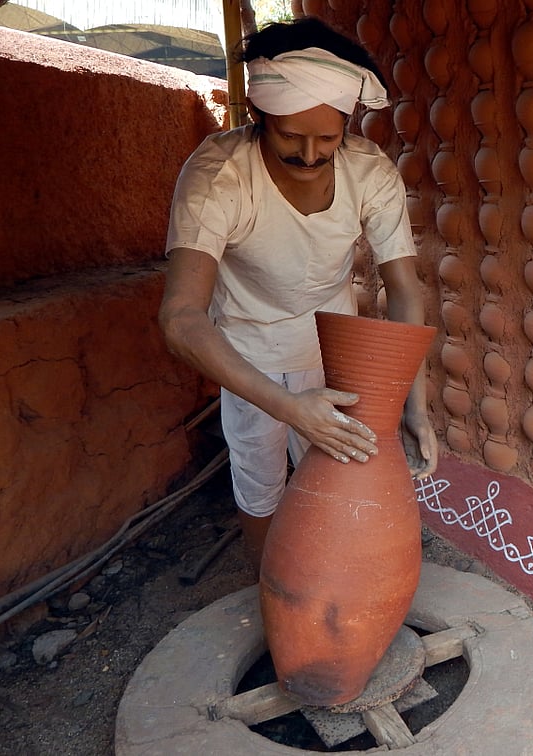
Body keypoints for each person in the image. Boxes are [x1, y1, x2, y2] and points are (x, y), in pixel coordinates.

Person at [158, 18, 437, 570]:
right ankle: (272, 591)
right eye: (290, 136)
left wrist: (415, 404)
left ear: (347, 127)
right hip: (248, 356)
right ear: (258, 117)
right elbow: (181, 318)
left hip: (332, 350)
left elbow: (404, 291)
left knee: (335, 484)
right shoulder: (219, 176)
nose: (310, 155)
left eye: (327, 139)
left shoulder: (368, 172)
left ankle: (328, 592)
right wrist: (288, 407)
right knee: (260, 484)